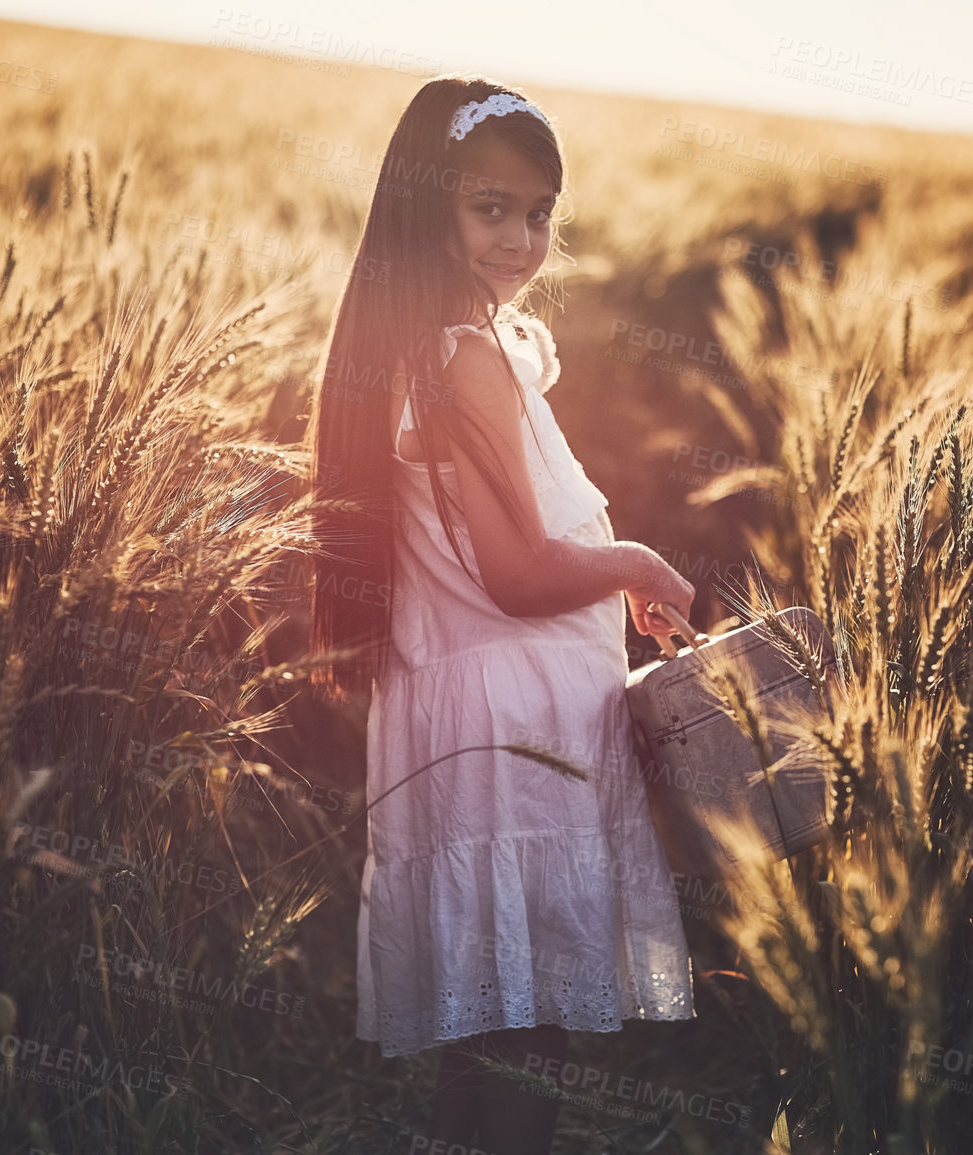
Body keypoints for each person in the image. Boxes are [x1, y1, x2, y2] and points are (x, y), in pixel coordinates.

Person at [306, 75, 699, 1154]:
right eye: (492, 208)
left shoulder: (425, 346)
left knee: (488, 1029)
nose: (522, 239)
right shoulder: (466, 360)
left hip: (465, 713)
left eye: (539, 214)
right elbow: (520, 575)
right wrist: (634, 559)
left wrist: (606, 573)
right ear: (427, 205)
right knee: (525, 1033)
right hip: (518, 727)